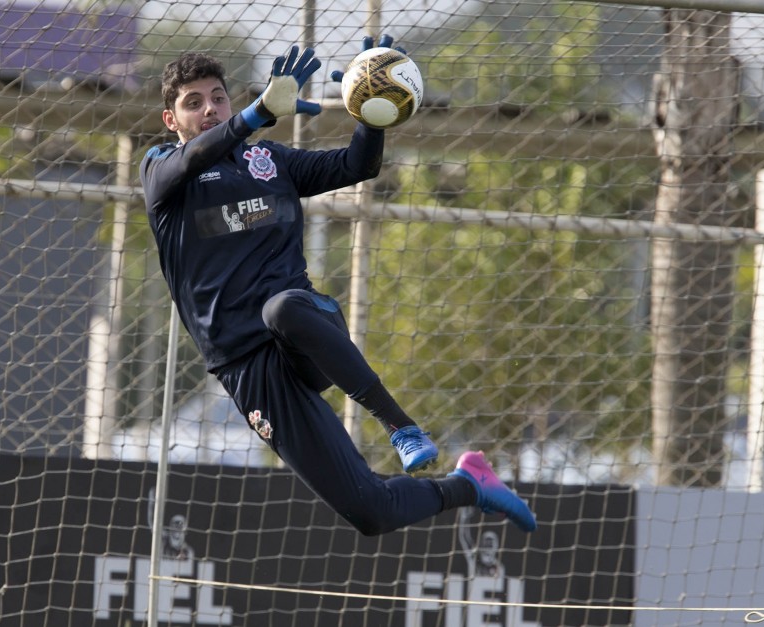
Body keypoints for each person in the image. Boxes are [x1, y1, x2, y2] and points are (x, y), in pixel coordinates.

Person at [139, 35, 536, 536]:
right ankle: (472, 485)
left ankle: (401, 427)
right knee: (371, 511)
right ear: (171, 121)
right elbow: (187, 161)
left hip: (306, 328)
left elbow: (358, 166)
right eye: (192, 103)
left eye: (218, 97)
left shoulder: (271, 163)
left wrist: (373, 112)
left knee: (281, 309)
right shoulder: (160, 172)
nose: (209, 109)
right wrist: (257, 113)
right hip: (248, 368)